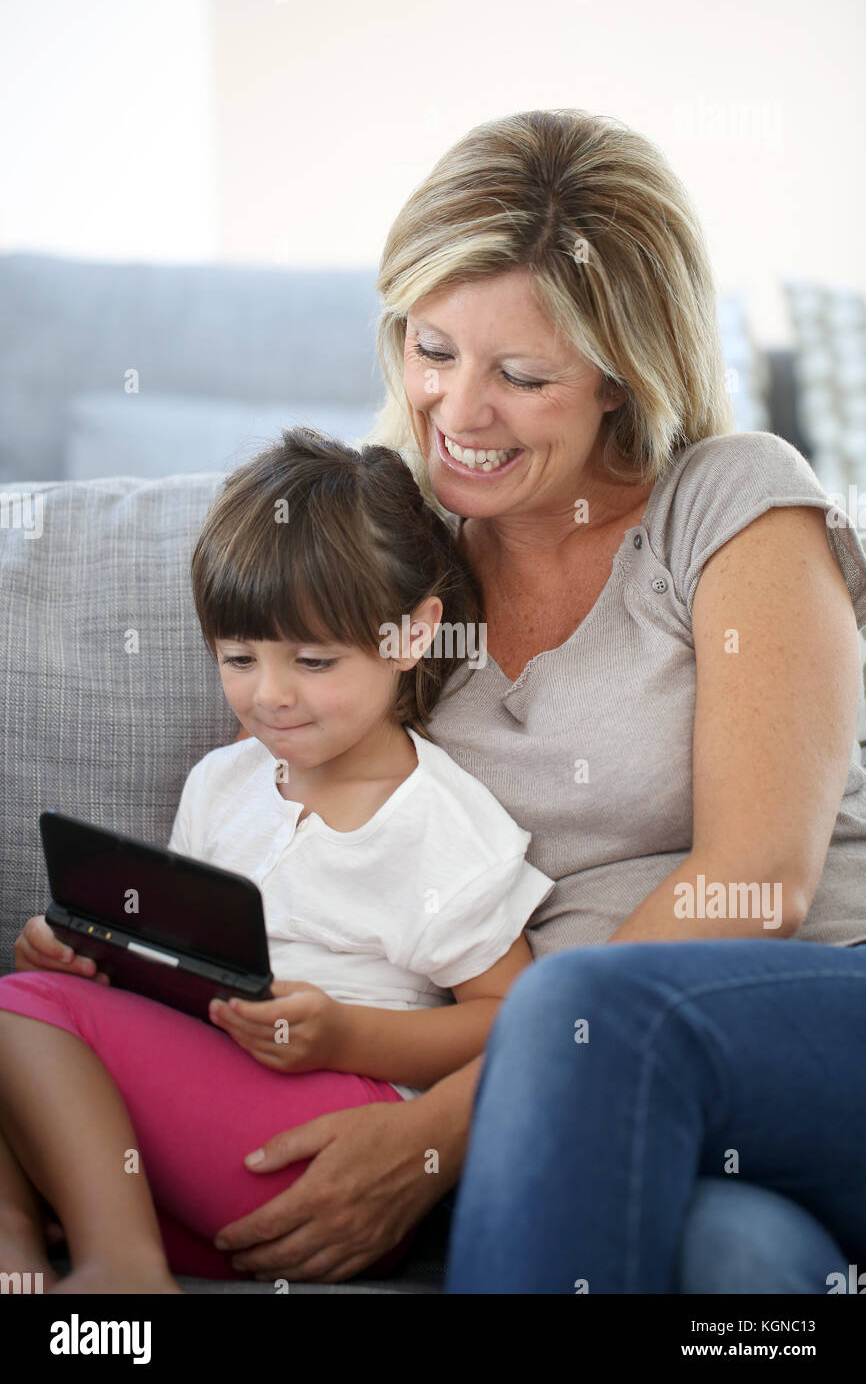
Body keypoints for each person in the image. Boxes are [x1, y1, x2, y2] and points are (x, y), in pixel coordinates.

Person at [236, 106, 866, 1293]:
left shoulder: (733, 504)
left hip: (819, 1014)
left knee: (587, 1012)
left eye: (520, 375)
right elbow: (302, 818)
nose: (458, 415)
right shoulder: (394, 570)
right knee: (737, 1264)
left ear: (622, 375)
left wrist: (439, 1132)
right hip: (609, 1109)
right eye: (431, 351)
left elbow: (760, 883)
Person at [0, 429, 555, 1293]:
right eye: (238, 659)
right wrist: (91, 960)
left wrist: (346, 1032)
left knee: (18, 1008)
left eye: (313, 660)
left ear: (412, 637)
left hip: (332, 1147)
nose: (270, 694)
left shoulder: (443, 826)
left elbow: (516, 1022)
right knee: (38, 1026)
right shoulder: (224, 783)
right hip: (204, 1153)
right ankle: (28, 1254)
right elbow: (174, 972)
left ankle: (119, 1271)